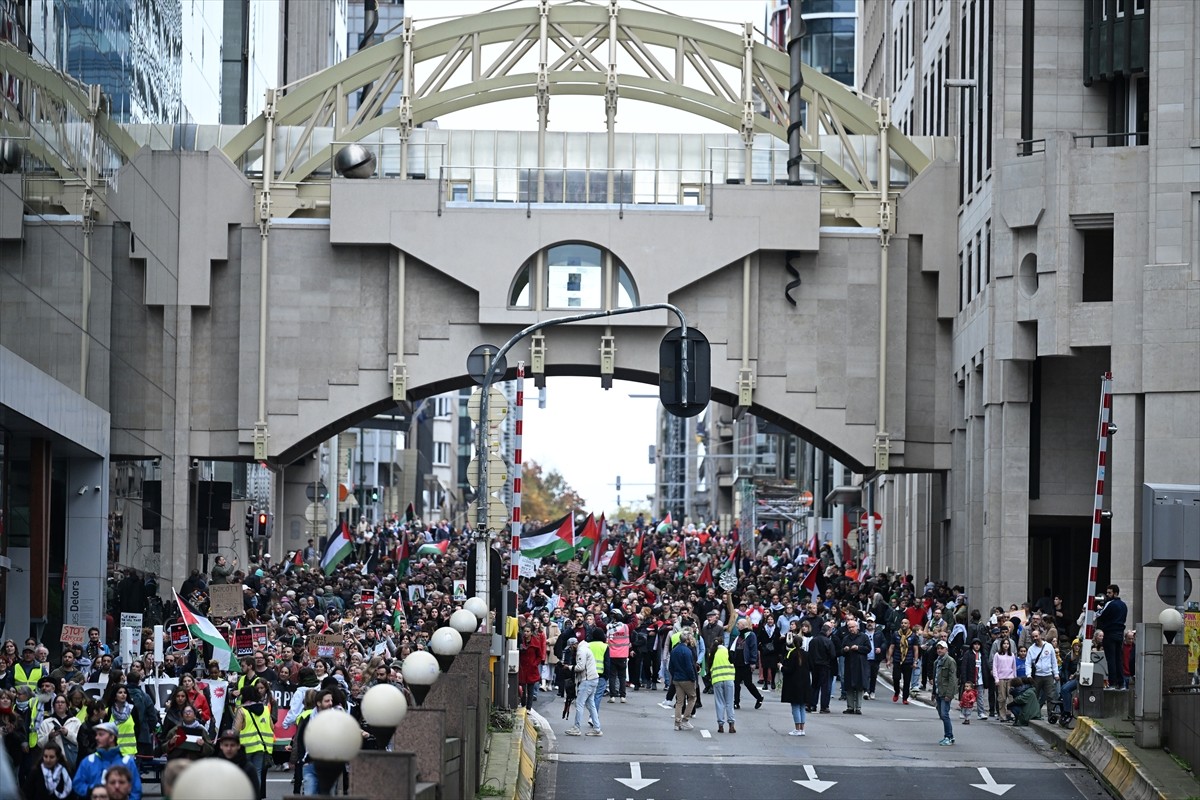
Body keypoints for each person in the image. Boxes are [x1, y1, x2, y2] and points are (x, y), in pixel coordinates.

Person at [71, 722, 142, 800]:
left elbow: (136, 790)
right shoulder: (89, 761)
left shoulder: (127, 762)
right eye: (96, 735)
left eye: (101, 734)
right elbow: (77, 784)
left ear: (112, 737)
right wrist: (92, 790)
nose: (96, 738)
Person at [565, 631, 602, 737]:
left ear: (574, 645)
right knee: (591, 705)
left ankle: (576, 728)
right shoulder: (586, 648)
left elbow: (580, 667)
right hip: (593, 679)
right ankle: (597, 728)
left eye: (571, 647)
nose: (571, 650)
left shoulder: (581, 651)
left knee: (579, 704)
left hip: (587, 680)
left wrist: (569, 667)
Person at [779, 622, 812, 736]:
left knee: (795, 706)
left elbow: (789, 669)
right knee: (802, 706)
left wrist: (781, 667)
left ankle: (797, 728)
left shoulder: (791, 654)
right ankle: (802, 728)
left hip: (794, 683)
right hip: (805, 682)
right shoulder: (806, 654)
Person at [1095, 584, 1128, 688]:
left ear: (1115, 593)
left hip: (1110, 634)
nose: (1107, 595)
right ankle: (1121, 683)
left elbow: (1100, 615)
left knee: (1111, 659)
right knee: (1119, 659)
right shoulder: (1124, 605)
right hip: (1120, 634)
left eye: (1109, 593)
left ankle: (1112, 683)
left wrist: (1099, 609)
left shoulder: (1110, 604)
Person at [668, 630, 698, 731]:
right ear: (687, 640)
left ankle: (677, 723)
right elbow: (689, 667)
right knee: (692, 697)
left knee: (679, 701)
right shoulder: (687, 651)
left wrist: (674, 675)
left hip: (677, 678)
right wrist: (693, 678)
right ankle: (685, 719)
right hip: (686, 678)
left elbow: (670, 666)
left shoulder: (674, 650)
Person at [730, 619, 763, 711]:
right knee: (736, 683)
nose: (737, 626)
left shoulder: (751, 635)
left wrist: (753, 662)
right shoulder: (739, 635)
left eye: (738, 624)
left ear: (744, 625)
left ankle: (759, 697)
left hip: (746, 663)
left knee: (748, 683)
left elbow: (753, 648)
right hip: (738, 663)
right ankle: (736, 702)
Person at [839, 618, 869, 715]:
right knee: (849, 686)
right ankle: (850, 707)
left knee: (859, 686)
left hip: (860, 664)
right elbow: (841, 651)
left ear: (857, 627)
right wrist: (845, 649)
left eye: (853, 627)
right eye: (849, 627)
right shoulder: (846, 638)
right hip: (849, 663)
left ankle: (858, 707)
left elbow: (868, 648)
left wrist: (858, 648)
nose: (851, 629)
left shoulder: (863, 637)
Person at [888, 618, 920, 704]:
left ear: (909, 625)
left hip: (908, 661)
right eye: (902, 623)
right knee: (896, 678)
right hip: (897, 660)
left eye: (905, 623)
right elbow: (892, 646)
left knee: (907, 681)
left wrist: (915, 661)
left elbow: (916, 649)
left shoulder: (913, 636)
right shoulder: (896, 634)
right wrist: (889, 659)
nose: (903, 625)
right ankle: (897, 691)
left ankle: (905, 698)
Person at [933, 640, 958, 746]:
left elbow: (952, 679)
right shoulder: (936, 662)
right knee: (941, 713)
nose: (939, 650)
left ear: (946, 649)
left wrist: (949, 694)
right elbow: (936, 678)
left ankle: (948, 736)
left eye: (941, 648)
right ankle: (950, 736)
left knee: (944, 714)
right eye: (938, 648)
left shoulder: (950, 661)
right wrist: (933, 692)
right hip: (939, 691)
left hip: (945, 692)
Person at [708, 641, 736, 734]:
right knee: (729, 702)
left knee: (719, 703)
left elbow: (710, 667)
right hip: (729, 679)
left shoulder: (712, 653)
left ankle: (720, 725)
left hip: (717, 680)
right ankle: (731, 725)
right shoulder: (727, 651)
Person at [991, 637, 1017, 722]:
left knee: (1011, 697)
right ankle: (1002, 715)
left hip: (1010, 678)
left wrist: (1014, 679)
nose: (1006, 645)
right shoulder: (997, 655)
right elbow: (995, 667)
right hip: (1001, 678)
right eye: (1004, 643)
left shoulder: (1012, 655)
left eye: (1007, 644)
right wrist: (996, 679)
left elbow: (1014, 668)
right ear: (1001, 645)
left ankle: (1010, 714)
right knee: (1001, 698)